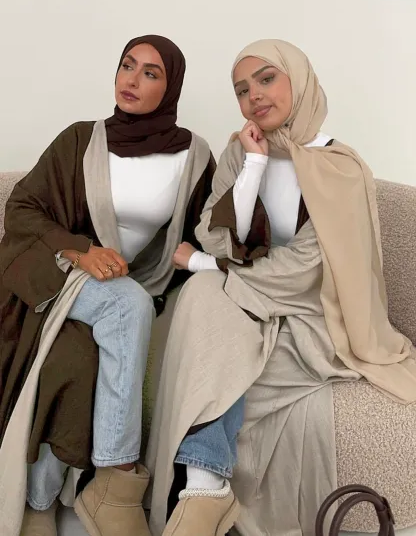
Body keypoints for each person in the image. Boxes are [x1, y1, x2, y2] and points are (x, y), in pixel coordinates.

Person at [146, 39, 416, 536]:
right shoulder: (239, 151)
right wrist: (253, 165)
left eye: (267, 79)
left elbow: (304, 271)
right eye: (241, 89)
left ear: (300, 80)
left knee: (213, 343)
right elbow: (216, 233)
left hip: (312, 318)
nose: (254, 95)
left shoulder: (340, 166)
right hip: (245, 305)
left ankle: (202, 488)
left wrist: (205, 264)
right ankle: (205, 491)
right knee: (202, 300)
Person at [0, 35, 215, 536]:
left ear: (171, 87)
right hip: (55, 273)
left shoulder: (194, 156)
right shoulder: (81, 139)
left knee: (76, 358)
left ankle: (39, 501)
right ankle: (116, 483)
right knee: (126, 308)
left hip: (132, 285)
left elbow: (204, 229)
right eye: (126, 66)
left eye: (150, 73)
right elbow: (22, 208)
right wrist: (81, 250)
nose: (131, 80)